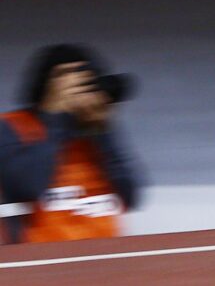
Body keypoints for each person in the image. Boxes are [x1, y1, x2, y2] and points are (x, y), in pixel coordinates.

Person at [0, 44, 144, 244]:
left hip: (104, 252)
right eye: (65, 75)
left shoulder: (94, 128)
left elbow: (131, 196)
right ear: (47, 82)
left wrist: (103, 132)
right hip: (40, 255)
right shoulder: (13, 125)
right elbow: (26, 188)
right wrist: (54, 117)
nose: (76, 87)